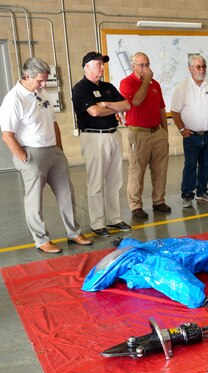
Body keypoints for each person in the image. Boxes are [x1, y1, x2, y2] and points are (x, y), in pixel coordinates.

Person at [0, 57, 92, 253]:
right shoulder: (13, 99)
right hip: (31, 153)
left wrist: (59, 148)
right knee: (34, 199)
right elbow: (7, 135)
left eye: (45, 81)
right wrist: (24, 158)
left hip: (53, 152)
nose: (42, 85)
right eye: (39, 80)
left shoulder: (42, 94)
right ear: (26, 76)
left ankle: (73, 232)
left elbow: (54, 123)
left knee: (67, 193)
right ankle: (41, 239)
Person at [72, 51, 132, 237]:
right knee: (96, 182)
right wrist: (109, 107)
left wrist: (105, 104)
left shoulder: (108, 87)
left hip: (113, 135)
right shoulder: (80, 88)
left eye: (102, 64)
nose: (101, 67)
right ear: (87, 66)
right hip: (94, 137)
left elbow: (127, 106)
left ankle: (114, 219)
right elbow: (94, 112)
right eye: (97, 64)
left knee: (115, 181)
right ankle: (98, 223)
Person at [119, 52, 170, 219]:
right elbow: (136, 101)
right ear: (133, 66)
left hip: (157, 132)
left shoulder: (155, 84)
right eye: (141, 65)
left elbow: (161, 108)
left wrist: (165, 132)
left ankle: (158, 201)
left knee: (160, 169)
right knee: (137, 170)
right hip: (138, 133)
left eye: (147, 64)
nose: (146, 68)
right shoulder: (127, 83)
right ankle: (135, 205)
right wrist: (146, 80)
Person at [171, 55, 208, 208]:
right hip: (191, 136)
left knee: (206, 165)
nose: (202, 69)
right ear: (190, 69)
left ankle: (202, 192)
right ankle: (187, 194)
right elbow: (174, 111)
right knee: (190, 165)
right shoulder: (182, 87)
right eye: (198, 67)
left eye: (204, 66)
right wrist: (182, 129)